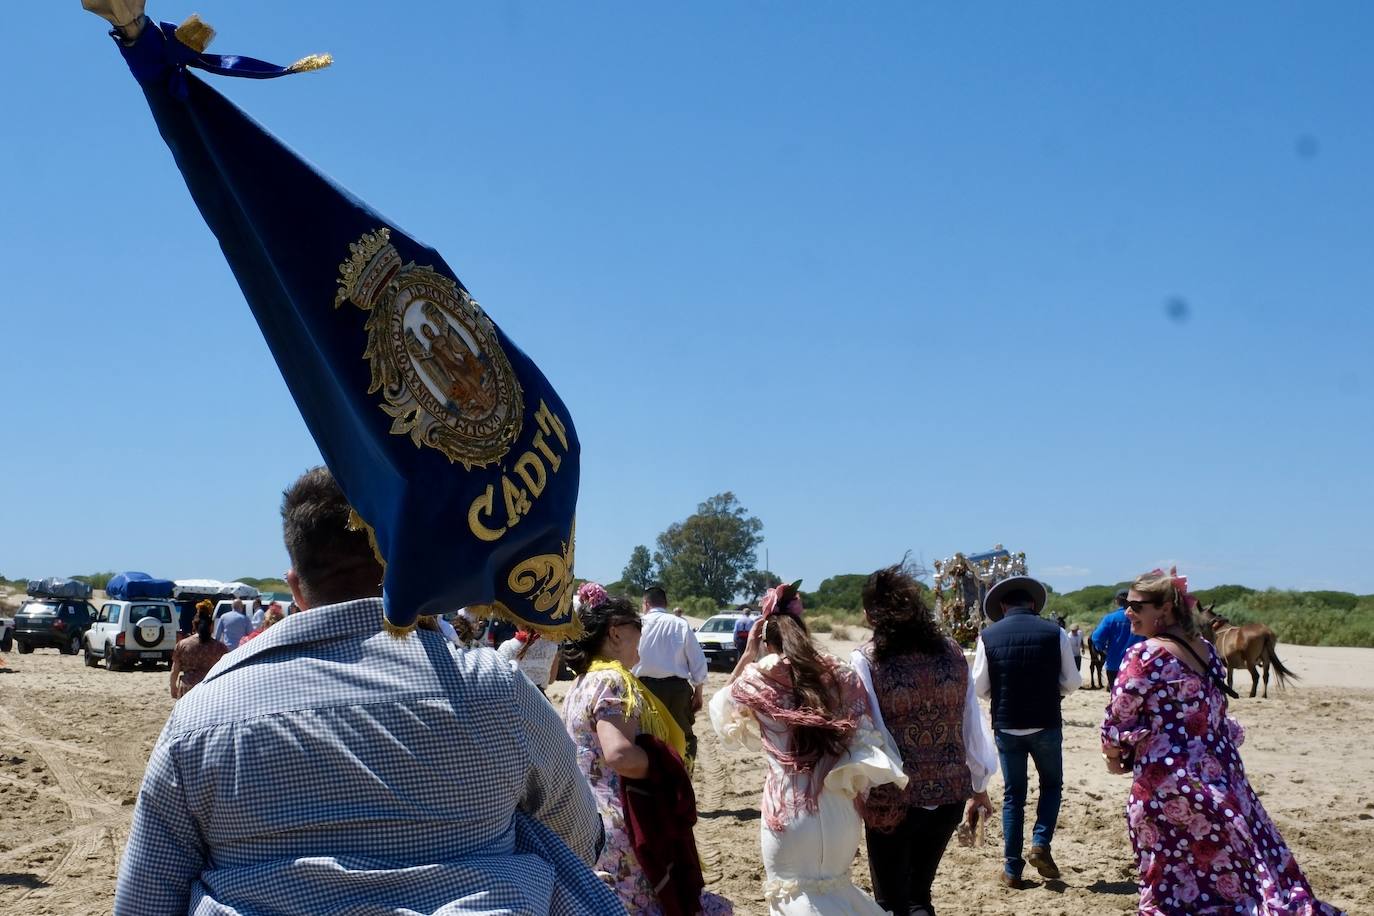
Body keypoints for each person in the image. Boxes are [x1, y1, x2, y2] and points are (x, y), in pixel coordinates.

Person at [115, 466, 616, 915]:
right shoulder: (494, 691)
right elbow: (578, 840)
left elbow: (145, 902)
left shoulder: (201, 718)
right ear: (409, 565)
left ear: (294, 585)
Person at [1102, 568, 1343, 915]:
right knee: (1230, 855)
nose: (1128, 612)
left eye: (1137, 606)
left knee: (1167, 862)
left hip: (1167, 777)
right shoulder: (1206, 651)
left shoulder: (1142, 656)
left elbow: (1119, 717)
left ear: (1165, 610)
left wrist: (1114, 755)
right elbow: (1214, 711)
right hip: (1221, 769)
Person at [710, 582, 907, 915]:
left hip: (790, 806)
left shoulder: (758, 679)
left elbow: (721, 712)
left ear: (766, 641)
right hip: (839, 804)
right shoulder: (841, 674)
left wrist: (746, 656)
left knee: (792, 899)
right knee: (838, 891)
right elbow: (869, 732)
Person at [561, 582, 732, 916]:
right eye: (637, 639)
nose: (640, 652)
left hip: (589, 817)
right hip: (622, 819)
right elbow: (620, 755)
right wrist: (667, 766)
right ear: (615, 634)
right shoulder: (612, 680)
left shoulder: (580, 683)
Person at [851, 564, 997, 916]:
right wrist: (979, 784)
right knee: (919, 895)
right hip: (949, 792)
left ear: (873, 615)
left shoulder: (867, 659)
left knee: (889, 899)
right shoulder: (951, 652)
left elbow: (870, 732)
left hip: (893, 796)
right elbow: (970, 725)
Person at [972, 575, 1081, 889]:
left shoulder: (988, 636)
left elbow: (980, 687)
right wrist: (1052, 690)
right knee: (1051, 786)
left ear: (1003, 606)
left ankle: (1012, 868)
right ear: (1032, 604)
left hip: (1007, 725)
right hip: (1046, 721)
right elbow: (1072, 682)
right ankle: (1040, 843)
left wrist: (1001, 694)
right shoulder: (1055, 632)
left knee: (1013, 796)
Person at [634, 585, 708, 763]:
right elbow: (697, 661)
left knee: (645, 737)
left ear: (645, 603)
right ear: (666, 604)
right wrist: (699, 692)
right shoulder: (680, 624)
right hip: (676, 690)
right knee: (682, 736)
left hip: (644, 690)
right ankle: (684, 775)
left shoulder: (637, 625)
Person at [168, 600, 229, 699]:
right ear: (211, 626)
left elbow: (175, 670)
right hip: (211, 690)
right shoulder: (220, 648)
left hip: (188, 689)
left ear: (193, 625)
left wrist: (173, 687)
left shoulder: (183, 645)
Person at [1092, 588, 1145, 687]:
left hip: (1114, 665)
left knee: (1116, 696)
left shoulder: (1110, 618)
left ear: (1116, 601)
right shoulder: (1142, 617)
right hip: (1138, 664)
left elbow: (1097, 638)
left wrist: (1103, 649)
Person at [499, 627, 562, 693]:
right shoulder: (552, 646)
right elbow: (551, 680)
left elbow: (498, 680)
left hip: (512, 697)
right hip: (539, 698)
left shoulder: (507, 646)